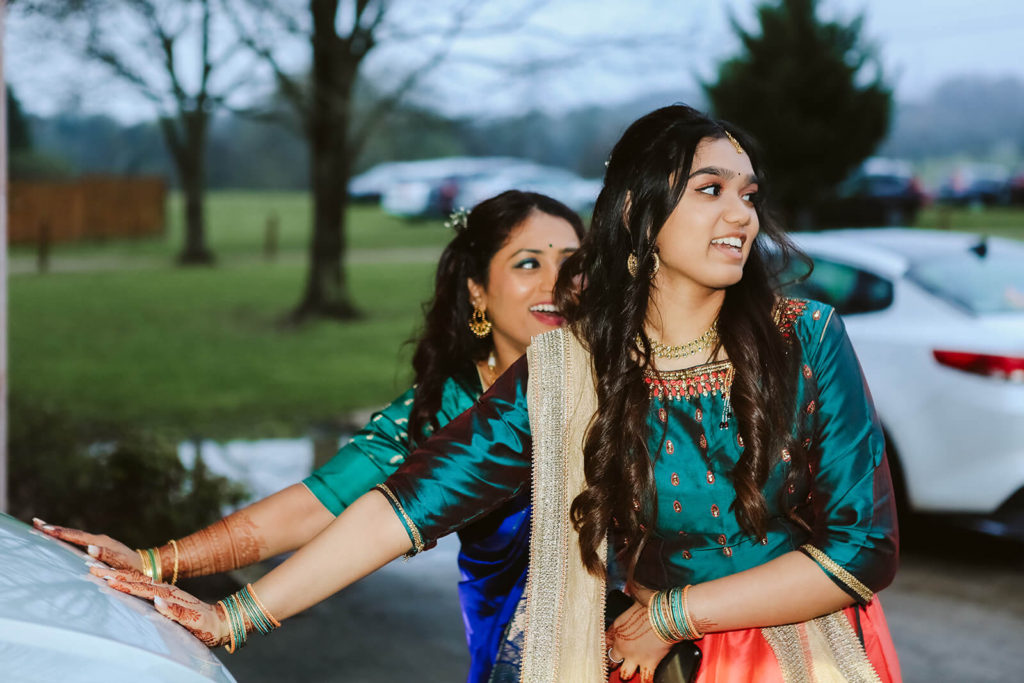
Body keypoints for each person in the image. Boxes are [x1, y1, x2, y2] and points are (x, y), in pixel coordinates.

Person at [83, 106, 901, 683]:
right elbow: (399, 505)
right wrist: (234, 614)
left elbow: (862, 549)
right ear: (637, 210)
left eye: (749, 193)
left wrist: (673, 615)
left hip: (802, 658)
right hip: (641, 661)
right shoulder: (571, 370)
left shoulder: (805, 335)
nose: (742, 215)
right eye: (711, 189)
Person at [35, 189, 585, 683]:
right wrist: (158, 564)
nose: (556, 283)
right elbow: (321, 504)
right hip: (520, 660)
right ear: (477, 292)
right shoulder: (446, 408)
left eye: (573, 262)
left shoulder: (621, 382)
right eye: (528, 262)